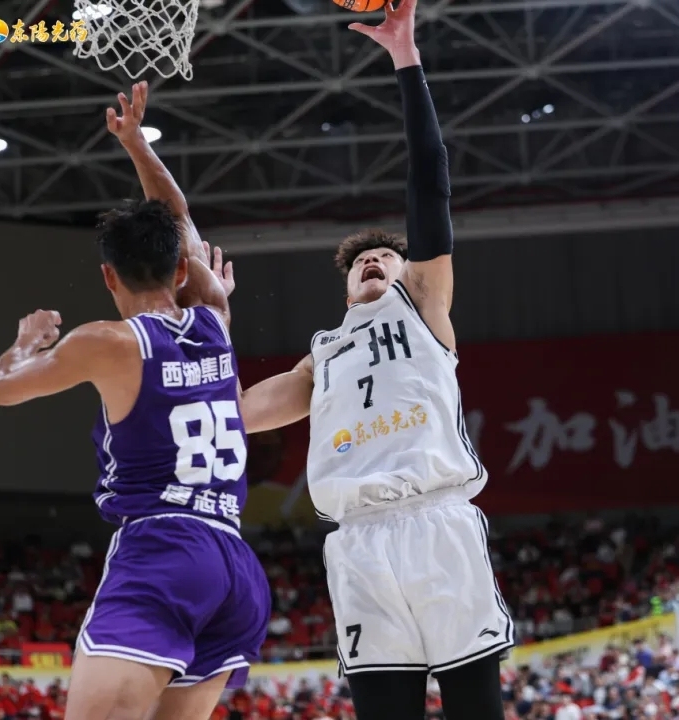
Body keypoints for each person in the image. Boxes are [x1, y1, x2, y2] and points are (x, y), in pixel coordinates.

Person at [236, 2, 511, 719]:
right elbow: (231, 416)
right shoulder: (321, 355)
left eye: (387, 256)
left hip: (437, 523)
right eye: (363, 260)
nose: (374, 261)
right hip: (356, 543)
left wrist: (405, 59)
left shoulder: (423, 305)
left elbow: (430, 182)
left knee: (476, 707)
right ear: (346, 286)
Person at [0, 82, 269, 720]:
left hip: (163, 550)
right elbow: (179, 218)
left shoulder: (108, 342)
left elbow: (2, 391)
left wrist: (25, 343)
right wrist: (138, 145)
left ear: (108, 276)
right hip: (236, 564)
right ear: (182, 270)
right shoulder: (214, 315)